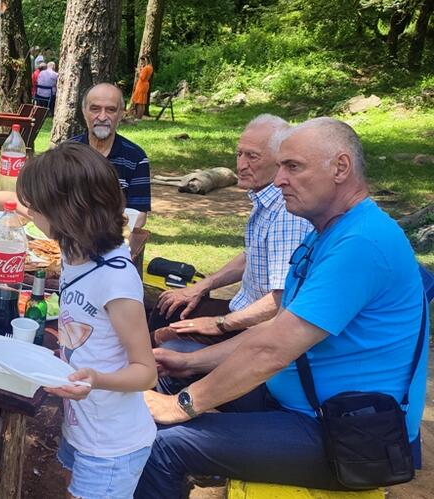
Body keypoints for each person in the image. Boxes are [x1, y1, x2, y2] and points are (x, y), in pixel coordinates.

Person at [136, 118, 428, 497]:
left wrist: (181, 406)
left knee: (166, 446)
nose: (278, 180)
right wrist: (191, 364)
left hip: (345, 435)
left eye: (293, 167)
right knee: (174, 364)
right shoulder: (327, 234)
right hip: (299, 404)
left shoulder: (363, 242)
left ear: (340, 168)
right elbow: (271, 333)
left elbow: (272, 351)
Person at [0, 143, 158, 498]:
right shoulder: (76, 248)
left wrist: (95, 379)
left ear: (67, 212)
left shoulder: (116, 279)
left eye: (37, 209)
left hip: (112, 443)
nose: (30, 215)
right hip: (83, 424)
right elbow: (10, 201)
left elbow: (146, 371)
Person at [151, 115, 313, 356]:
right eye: (239, 154)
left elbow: (280, 300)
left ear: (280, 161)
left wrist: (220, 323)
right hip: (242, 312)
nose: (241, 165)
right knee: (167, 306)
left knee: (162, 326)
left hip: (257, 330)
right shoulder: (265, 200)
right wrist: (201, 286)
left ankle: (171, 385)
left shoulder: (286, 214)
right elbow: (252, 255)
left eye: (252, 156)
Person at [69, 83, 150, 228]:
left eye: (111, 110)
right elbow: (52, 204)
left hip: (114, 243)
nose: (102, 117)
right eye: (95, 109)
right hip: (69, 240)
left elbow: (138, 217)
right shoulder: (66, 153)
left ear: (120, 114)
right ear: (84, 111)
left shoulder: (136, 158)